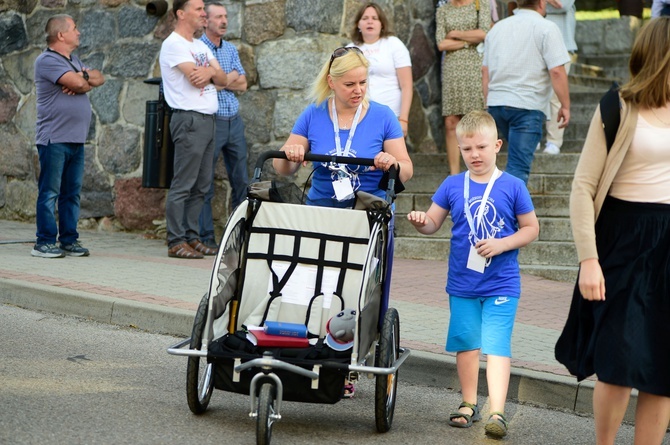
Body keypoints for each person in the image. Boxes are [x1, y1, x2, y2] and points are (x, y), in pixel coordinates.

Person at [555, 17, 670, 445]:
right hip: (622, 238)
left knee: (662, 368)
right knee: (618, 361)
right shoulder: (618, 106)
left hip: (668, 243)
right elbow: (583, 186)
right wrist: (589, 258)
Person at [273, 47, 413, 398]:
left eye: (363, 82)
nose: (358, 89)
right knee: (310, 284)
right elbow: (282, 169)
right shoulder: (314, 114)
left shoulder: (382, 117)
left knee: (351, 291)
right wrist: (290, 155)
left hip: (365, 216)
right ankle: (302, 351)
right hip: (321, 214)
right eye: (350, 83)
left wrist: (390, 162)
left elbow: (407, 169)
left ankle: (345, 359)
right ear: (331, 82)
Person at [407, 110, 539, 438]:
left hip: (501, 282)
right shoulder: (452, 184)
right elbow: (434, 222)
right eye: (467, 149)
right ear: (459, 148)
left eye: (481, 147)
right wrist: (422, 222)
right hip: (463, 283)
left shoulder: (513, 185)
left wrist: (502, 244)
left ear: (497, 145)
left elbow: (531, 228)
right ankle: (468, 403)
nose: (474, 155)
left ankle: (497, 411)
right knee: (466, 345)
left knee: (496, 346)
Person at [32, 14, 105, 258]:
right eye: (74, 28)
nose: (79, 32)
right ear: (61, 35)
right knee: (50, 193)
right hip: (54, 138)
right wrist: (83, 79)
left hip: (76, 139)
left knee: (71, 194)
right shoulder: (47, 60)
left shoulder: (73, 60)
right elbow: (82, 84)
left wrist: (82, 77)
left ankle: (68, 240)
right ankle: (43, 242)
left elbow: (99, 78)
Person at [159, 0, 228, 259]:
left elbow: (223, 78)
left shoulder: (199, 45)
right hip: (189, 119)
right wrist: (213, 72)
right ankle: (175, 240)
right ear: (180, 13)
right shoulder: (173, 44)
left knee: (201, 185)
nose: (203, 14)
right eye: (198, 10)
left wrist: (210, 71)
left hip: (208, 120)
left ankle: (191, 237)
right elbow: (194, 77)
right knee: (184, 183)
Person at [482, 0, 570, 184]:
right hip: (527, 106)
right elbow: (556, 71)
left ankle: (504, 206)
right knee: (518, 168)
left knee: (512, 163)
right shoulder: (547, 28)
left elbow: (485, 72)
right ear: (541, 3)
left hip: (497, 104)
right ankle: (507, 211)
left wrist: (487, 103)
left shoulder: (497, 29)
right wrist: (565, 105)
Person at [197, 2, 249, 250]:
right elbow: (205, 84)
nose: (224, 21)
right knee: (205, 182)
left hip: (234, 121)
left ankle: (239, 239)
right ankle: (206, 238)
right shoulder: (198, 50)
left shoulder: (230, 49)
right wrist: (229, 78)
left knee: (242, 181)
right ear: (205, 21)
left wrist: (219, 79)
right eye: (218, 17)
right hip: (213, 120)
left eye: (225, 16)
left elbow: (244, 84)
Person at [436, 0, 491, 176]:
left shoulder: (480, 5)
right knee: (451, 122)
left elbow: (484, 33)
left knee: (475, 120)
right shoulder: (443, 10)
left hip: (474, 68)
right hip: (452, 70)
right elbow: (441, 44)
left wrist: (456, 34)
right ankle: (454, 174)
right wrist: (469, 41)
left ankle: (477, 168)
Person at [348, 2, 412, 137]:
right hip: (358, 117)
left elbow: (406, 86)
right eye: (365, 18)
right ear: (358, 25)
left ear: (382, 24)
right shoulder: (350, 49)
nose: (369, 22)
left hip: (391, 117)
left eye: (374, 18)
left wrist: (403, 119)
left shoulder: (394, 44)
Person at [542, 0, 578, 155]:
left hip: (563, 45)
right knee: (534, 90)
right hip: (536, 42)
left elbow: (562, 5)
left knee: (556, 96)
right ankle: (534, 135)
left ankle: (554, 141)